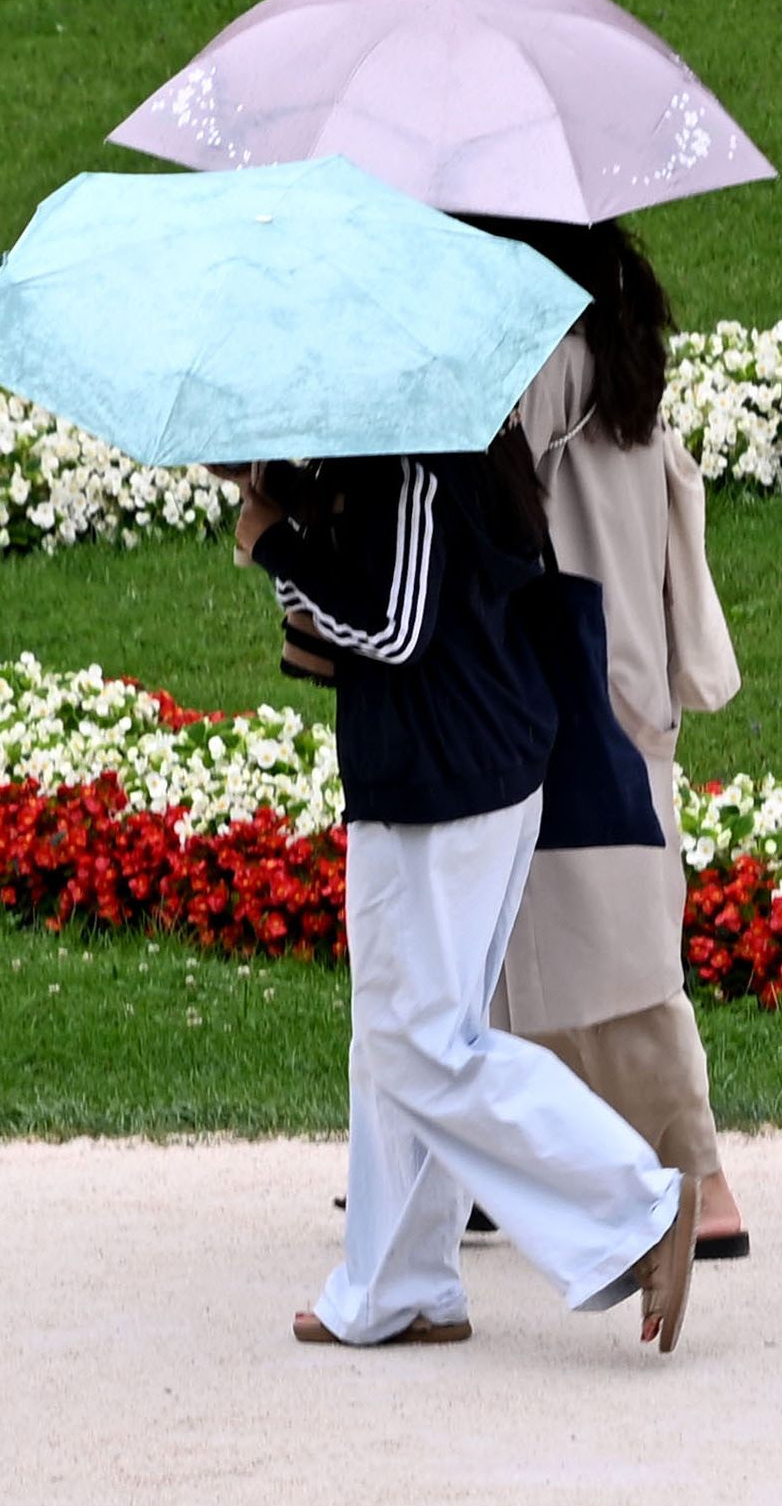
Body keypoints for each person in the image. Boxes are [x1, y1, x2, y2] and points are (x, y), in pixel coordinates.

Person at [238, 435, 699, 1351]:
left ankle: (635, 1202)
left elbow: (392, 628)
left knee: (418, 1044)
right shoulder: (440, 448)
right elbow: (391, 589)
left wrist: (276, 546)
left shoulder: (414, 459)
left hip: (442, 781)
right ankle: (400, 1289)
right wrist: (288, 504)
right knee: (401, 1040)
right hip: (464, 767)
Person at [478, 215, 749, 1255]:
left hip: (569, 671)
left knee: (601, 942)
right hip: (623, 659)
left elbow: (498, 508)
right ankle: (489, 1158)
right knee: (556, 924)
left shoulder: (546, 354)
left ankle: (701, 1178)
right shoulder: (617, 337)